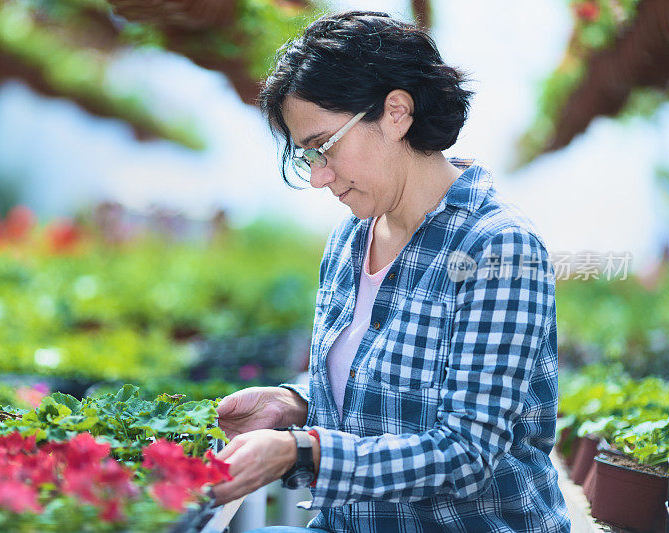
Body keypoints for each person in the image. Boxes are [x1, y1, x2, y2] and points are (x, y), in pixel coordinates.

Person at [212, 10, 571, 533]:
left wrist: (301, 453)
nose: (319, 177)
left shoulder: (498, 247)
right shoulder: (349, 240)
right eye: (304, 156)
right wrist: (292, 405)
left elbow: (467, 454)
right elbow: (382, 396)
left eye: (325, 146)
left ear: (396, 112)